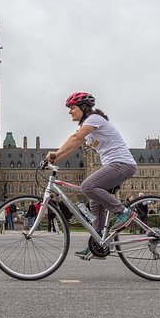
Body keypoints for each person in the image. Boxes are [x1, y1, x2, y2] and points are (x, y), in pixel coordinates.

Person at [46, 92, 137, 260]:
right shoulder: (87, 128)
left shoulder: (94, 119)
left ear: (83, 108)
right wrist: (54, 159)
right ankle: (97, 244)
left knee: (87, 187)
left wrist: (55, 153)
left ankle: (123, 212)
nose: (70, 112)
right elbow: (74, 146)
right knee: (95, 202)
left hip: (121, 164)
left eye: (72, 108)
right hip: (113, 165)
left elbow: (75, 137)